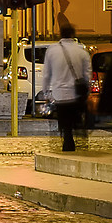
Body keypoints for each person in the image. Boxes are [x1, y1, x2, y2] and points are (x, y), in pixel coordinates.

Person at [44, 22, 93, 152]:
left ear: (61, 34)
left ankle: (67, 140)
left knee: (64, 122)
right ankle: (74, 140)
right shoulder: (82, 51)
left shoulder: (52, 50)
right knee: (74, 120)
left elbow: (47, 74)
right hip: (76, 94)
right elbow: (87, 74)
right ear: (73, 34)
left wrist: (46, 93)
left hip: (59, 94)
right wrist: (86, 90)